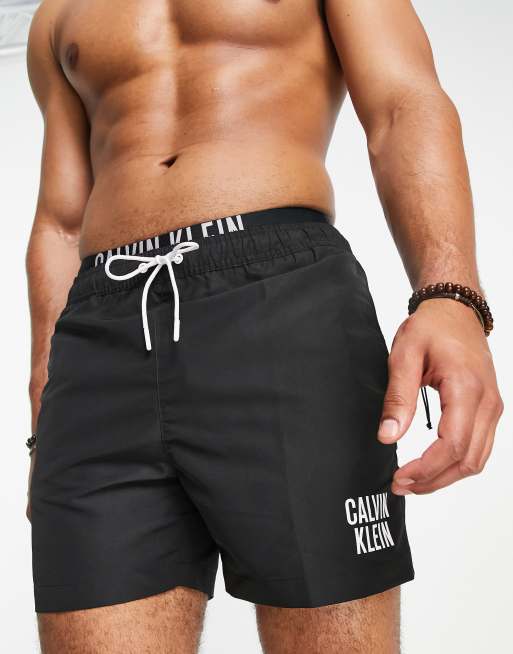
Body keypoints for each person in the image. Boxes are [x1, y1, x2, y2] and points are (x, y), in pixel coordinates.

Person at [25, 0, 503, 652]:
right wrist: (44, 412)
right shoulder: (57, 15)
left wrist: (451, 296)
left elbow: (402, 104)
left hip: (281, 301)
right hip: (98, 336)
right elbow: (60, 223)